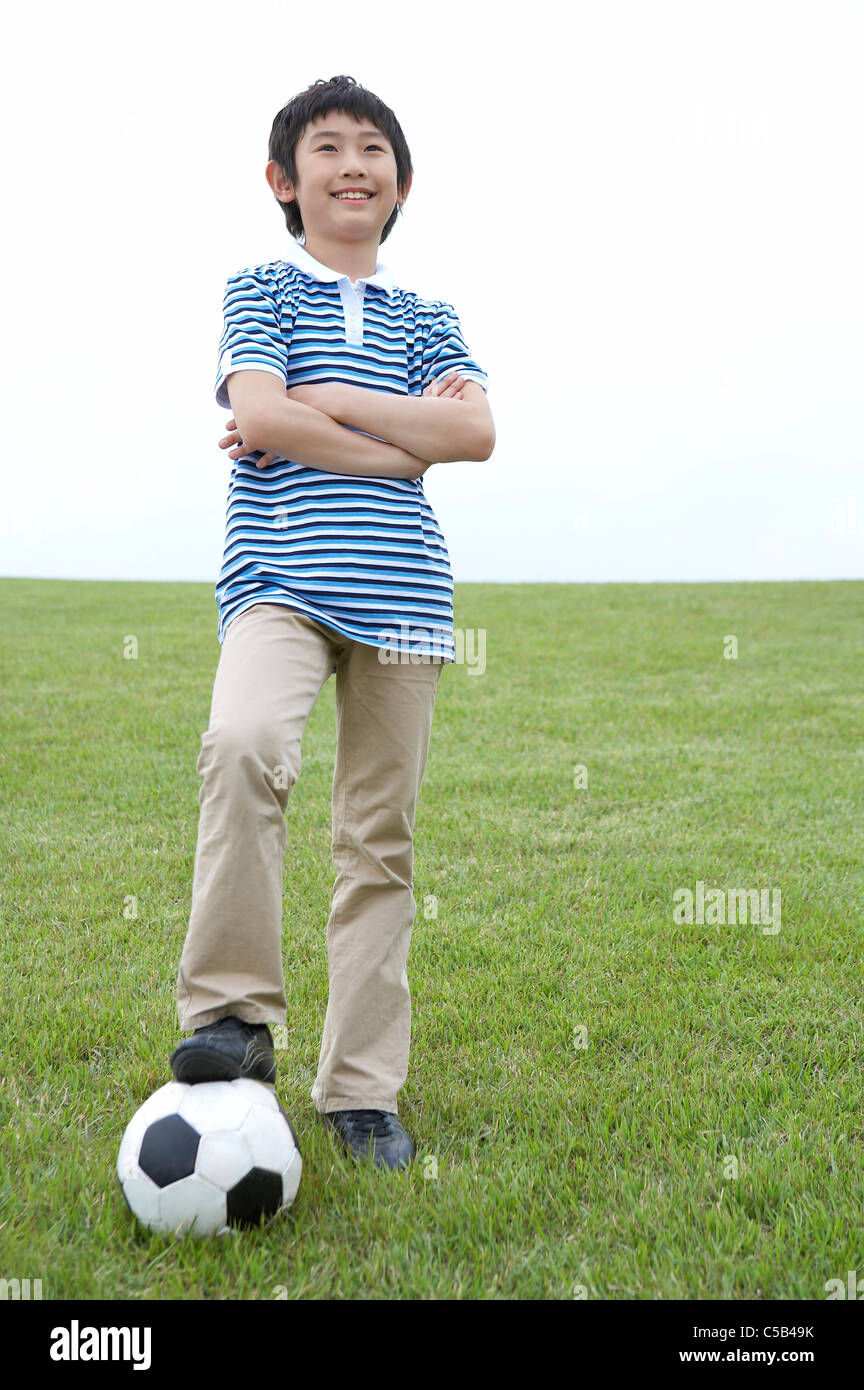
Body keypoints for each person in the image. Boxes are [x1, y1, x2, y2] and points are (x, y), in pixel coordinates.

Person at [170, 74, 495, 1171]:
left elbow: (477, 433)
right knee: (244, 744)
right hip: (281, 583)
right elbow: (257, 409)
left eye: (373, 149)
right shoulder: (260, 288)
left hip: (405, 595)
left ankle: (361, 1091)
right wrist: (403, 440)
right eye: (328, 148)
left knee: (378, 842)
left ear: (401, 184)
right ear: (284, 179)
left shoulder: (428, 315)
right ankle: (229, 1018)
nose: (353, 163)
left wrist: (335, 405)